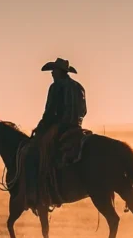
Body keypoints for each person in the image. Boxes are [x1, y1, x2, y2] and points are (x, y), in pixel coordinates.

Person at [24, 58, 87, 210]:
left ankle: (36, 193)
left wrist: (40, 128)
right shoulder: (79, 87)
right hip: (76, 127)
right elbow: (84, 111)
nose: (52, 73)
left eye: (54, 70)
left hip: (60, 127)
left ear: (60, 72)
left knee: (33, 151)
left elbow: (50, 112)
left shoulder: (56, 87)